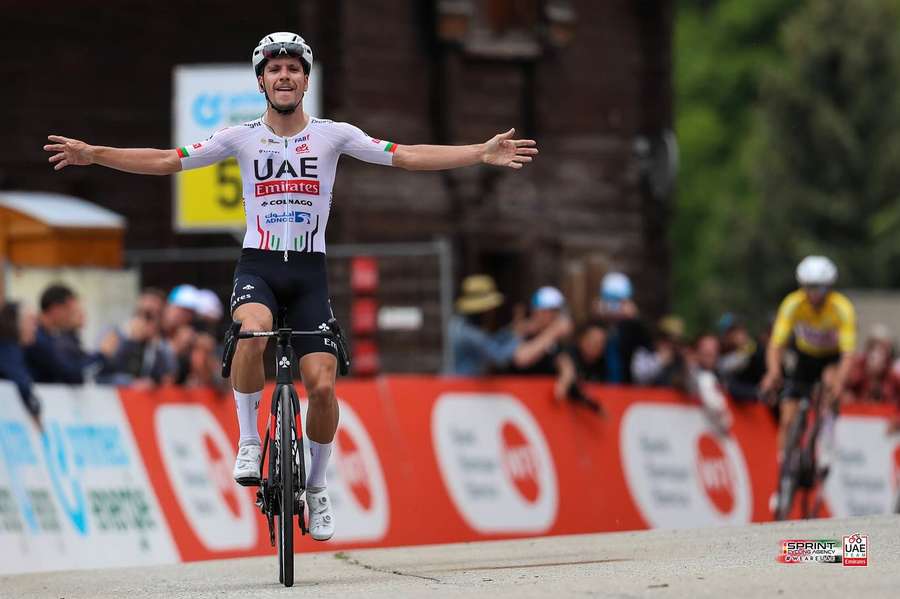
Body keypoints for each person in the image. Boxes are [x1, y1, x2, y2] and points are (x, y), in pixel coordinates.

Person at [45, 31, 538, 542]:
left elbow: (407, 155)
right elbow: (168, 160)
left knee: (322, 386)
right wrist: (96, 153)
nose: (284, 76)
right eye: (274, 69)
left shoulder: (333, 134)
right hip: (258, 265)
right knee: (252, 331)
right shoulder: (239, 136)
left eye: (293, 69)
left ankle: (318, 486)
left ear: (306, 79)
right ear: (261, 80)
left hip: (309, 274)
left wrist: (480, 151)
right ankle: (249, 440)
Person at [760, 255, 856, 509]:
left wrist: (839, 385)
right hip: (805, 357)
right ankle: (785, 474)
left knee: (830, 386)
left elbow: (848, 355)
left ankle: (826, 442)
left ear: (829, 287)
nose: (814, 293)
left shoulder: (841, 308)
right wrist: (773, 372)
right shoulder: (792, 304)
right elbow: (776, 344)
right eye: (809, 287)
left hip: (831, 358)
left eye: (820, 288)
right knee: (788, 416)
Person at [25, 284, 103, 384]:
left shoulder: (48, 337)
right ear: (56, 309)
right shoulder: (36, 338)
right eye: (71, 311)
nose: (73, 316)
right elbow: (69, 373)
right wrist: (102, 355)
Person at [594, 272, 652, 384]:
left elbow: (647, 347)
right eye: (610, 300)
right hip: (600, 384)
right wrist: (597, 319)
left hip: (626, 387)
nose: (614, 307)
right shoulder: (597, 323)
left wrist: (634, 319)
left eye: (619, 301)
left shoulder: (633, 327)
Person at [0, 302, 41, 423]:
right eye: (31, 321)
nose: (35, 328)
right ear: (16, 323)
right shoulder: (7, 349)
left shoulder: (18, 350)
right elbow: (20, 381)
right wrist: (35, 407)